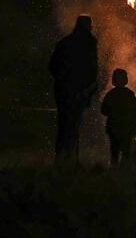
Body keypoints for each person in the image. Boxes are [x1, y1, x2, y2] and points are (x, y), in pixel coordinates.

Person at [48, 14, 98, 164]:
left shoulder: (64, 42)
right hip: (78, 93)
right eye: (90, 25)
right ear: (87, 26)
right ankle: (71, 161)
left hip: (62, 93)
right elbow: (91, 69)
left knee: (63, 127)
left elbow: (52, 67)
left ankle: (60, 161)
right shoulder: (89, 43)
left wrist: (62, 83)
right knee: (73, 127)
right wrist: (88, 89)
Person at [101, 69, 136, 165]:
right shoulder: (130, 94)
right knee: (126, 153)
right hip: (127, 129)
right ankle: (125, 173)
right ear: (125, 80)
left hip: (113, 129)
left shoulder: (110, 95)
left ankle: (114, 173)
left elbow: (104, 111)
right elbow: (135, 114)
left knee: (114, 153)